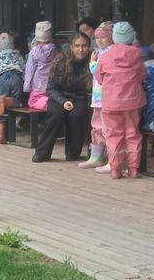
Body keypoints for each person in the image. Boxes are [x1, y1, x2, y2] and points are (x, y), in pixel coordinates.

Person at [97, 21, 147, 178]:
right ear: (131, 37)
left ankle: (115, 169)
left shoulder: (105, 55)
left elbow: (99, 77)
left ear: (114, 37)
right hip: (133, 101)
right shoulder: (138, 55)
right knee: (132, 134)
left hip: (111, 102)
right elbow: (143, 75)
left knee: (113, 135)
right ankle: (133, 169)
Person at [34, 32, 93, 162]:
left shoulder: (93, 60)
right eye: (77, 46)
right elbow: (51, 88)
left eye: (84, 46)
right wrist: (63, 101)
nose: (81, 49)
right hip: (59, 96)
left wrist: (93, 65)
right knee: (56, 116)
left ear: (89, 46)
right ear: (71, 46)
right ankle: (42, 153)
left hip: (80, 98)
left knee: (77, 116)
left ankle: (73, 153)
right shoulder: (61, 61)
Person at [80, 22, 114, 170]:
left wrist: (92, 63)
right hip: (97, 98)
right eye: (97, 37)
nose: (99, 40)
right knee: (96, 126)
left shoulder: (111, 52)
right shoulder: (99, 51)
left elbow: (100, 72)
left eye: (103, 37)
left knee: (109, 128)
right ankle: (96, 157)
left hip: (107, 98)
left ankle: (112, 159)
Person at [0, 32, 25, 144]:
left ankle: (0, 134)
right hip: (16, 77)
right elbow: (24, 68)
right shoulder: (17, 54)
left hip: (1, 78)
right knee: (17, 101)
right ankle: (6, 101)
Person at [23, 21, 58, 111]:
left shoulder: (34, 52)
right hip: (52, 83)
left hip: (38, 85)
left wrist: (27, 87)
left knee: (32, 101)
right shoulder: (55, 50)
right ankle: (51, 101)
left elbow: (30, 70)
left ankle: (50, 104)